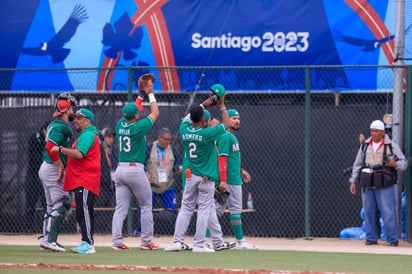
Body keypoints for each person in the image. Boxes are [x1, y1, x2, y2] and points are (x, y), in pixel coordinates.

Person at [165, 83, 234, 252]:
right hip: (206, 177)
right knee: (204, 209)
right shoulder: (207, 134)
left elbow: (189, 117)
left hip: (191, 176)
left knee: (186, 207)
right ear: (203, 121)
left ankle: (177, 241)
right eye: (205, 117)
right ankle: (199, 244)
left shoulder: (184, 130)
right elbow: (226, 124)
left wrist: (204, 104)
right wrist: (222, 104)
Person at [111, 73, 159, 251]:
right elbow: (155, 112)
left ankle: (116, 242)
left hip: (120, 171)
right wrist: (151, 93)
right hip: (135, 170)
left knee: (121, 208)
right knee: (146, 205)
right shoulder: (139, 127)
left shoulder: (119, 125)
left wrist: (140, 95)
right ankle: (146, 242)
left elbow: (134, 110)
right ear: (136, 116)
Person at [349, 120, 407, 247]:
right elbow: (357, 164)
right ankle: (371, 238)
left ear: (383, 132)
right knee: (368, 211)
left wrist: (394, 164)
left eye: (377, 131)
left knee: (388, 212)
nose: (374, 133)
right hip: (368, 182)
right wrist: (353, 180)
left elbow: (404, 164)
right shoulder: (365, 145)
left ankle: (392, 238)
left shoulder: (391, 145)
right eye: (372, 131)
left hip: (384, 183)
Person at [54, 108, 101, 254]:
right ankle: (86, 241)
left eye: (79, 118)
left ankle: (88, 243)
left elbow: (79, 154)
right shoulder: (85, 134)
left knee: (84, 211)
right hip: (83, 179)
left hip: (85, 179)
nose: (76, 121)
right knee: (83, 211)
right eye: (75, 118)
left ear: (87, 121)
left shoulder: (88, 134)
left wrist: (60, 149)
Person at [38, 93, 76, 252]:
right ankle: (50, 240)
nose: (73, 111)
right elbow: (49, 147)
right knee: (61, 203)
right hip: (53, 168)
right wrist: (60, 165)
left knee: (51, 205)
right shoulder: (61, 126)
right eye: (72, 107)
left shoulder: (55, 124)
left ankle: (46, 240)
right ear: (66, 108)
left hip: (47, 167)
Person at [214, 109, 256, 249]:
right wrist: (224, 180)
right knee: (233, 210)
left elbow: (232, 159)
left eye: (238, 118)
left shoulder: (231, 136)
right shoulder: (226, 136)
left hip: (232, 177)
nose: (237, 121)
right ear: (227, 120)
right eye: (233, 118)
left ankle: (206, 240)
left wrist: (242, 171)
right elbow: (222, 159)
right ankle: (240, 242)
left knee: (217, 211)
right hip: (230, 180)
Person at [135, 127, 181, 236]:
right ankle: (140, 231)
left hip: (167, 185)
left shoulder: (173, 149)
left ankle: (170, 232)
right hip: (151, 185)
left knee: (171, 210)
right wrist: (145, 172)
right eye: (165, 139)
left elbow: (176, 164)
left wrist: (178, 169)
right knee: (146, 209)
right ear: (159, 138)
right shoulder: (149, 147)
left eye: (169, 140)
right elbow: (141, 163)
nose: (167, 142)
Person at [24, 121, 48, 233]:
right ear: (44, 130)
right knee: (30, 204)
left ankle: (47, 229)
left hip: (44, 177)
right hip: (33, 176)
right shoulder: (34, 138)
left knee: (46, 203)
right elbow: (34, 157)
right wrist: (46, 158)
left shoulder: (50, 141)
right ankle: (28, 229)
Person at [97, 127, 116, 208]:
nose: (111, 139)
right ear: (103, 138)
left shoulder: (111, 151)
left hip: (110, 184)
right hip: (101, 185)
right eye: (109, 137)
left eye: (112, 137)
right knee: (100, 206)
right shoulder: (99, 150)